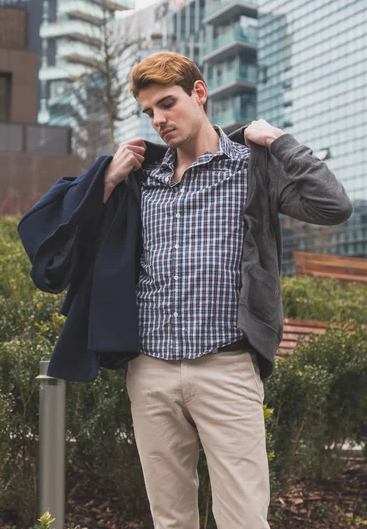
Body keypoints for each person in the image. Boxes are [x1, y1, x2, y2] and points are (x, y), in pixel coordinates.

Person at [18, 52, 352, 529]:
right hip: (150, 371)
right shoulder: (140, 178)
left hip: (228, 367)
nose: (159, 120)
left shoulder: (251, 166)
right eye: (150, 111)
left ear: (200, 93)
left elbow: (333, 206)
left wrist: (277, 139)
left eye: (168, 104)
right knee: (171, 521)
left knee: (244, 520)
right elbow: (50, 241)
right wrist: (106, 182)